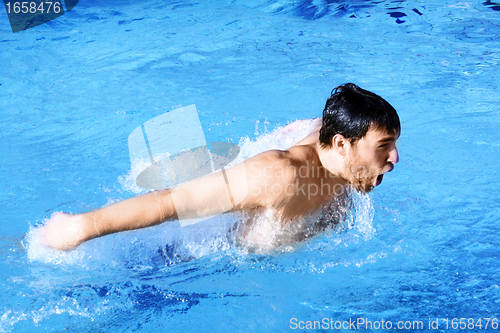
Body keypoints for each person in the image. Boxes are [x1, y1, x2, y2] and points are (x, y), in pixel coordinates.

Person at [39, 83, 400, 252]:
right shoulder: (280, 175)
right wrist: (82, 226)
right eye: (384, 146)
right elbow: (170, 203)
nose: (395, 158)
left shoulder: (343, 153)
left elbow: (316, 124)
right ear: (341, 144)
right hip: (180, 262)